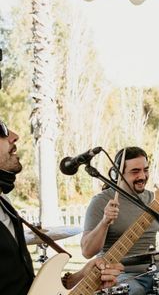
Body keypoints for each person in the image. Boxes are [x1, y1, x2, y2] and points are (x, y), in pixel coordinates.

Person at [0, 120, 122, 295]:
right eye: (1, 130)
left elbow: (26, 287)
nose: (14, 136)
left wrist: (81, 277)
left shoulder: (5, 204)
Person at [81, 146, 159, 295]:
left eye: (145, 170)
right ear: (117, 174)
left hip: (153, 272)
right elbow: (87, 251)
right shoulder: (101, 202)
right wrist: (105, 222)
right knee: (135, 291)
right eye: (135, 171)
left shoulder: (154, 199)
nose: (142, 176)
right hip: (116, 276)